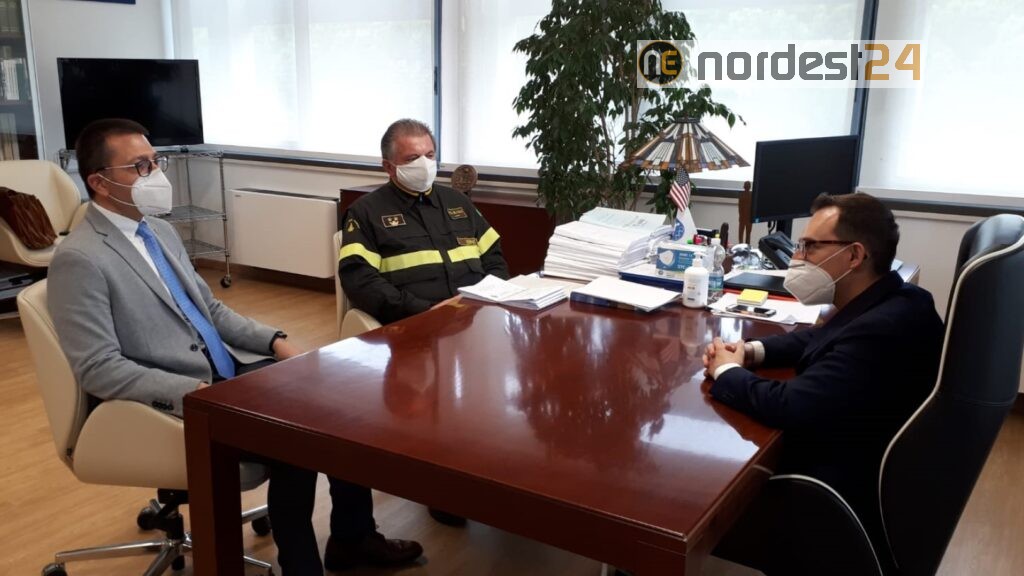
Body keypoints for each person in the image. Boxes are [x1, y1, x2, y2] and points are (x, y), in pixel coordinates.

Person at [48, 118, 422, 575]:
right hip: (173, 395)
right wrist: (196, 391)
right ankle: (302, 567)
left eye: (156, 162)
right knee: (297, 438)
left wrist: (277, 341)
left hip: (228, 370)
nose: (155, 175)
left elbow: (210, 310)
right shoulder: (80, 258)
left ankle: (353, 538)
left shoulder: (158, 231)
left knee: (340, 405)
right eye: (140, 166)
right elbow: (99, 367)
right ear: (99, 183)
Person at [702, 192, 944, 555]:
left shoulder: (880, 330)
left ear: (855, 256)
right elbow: (823, 338)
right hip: (865, 469)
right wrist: (752, 351)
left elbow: (790, 406)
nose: (796, 258)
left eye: (810, 247)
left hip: (831, 497)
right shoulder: (899, 298)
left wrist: (725, 371)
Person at [339, 118, 509, 325]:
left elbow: (494, 259)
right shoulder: (366, 212)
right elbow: (360, 280)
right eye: (412, 158)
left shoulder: (458, 202)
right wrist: (423, 311)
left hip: (475, 316)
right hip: (412, 322)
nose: (424, 164)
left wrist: (486, 297)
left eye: (429, 156)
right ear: (389, 167)